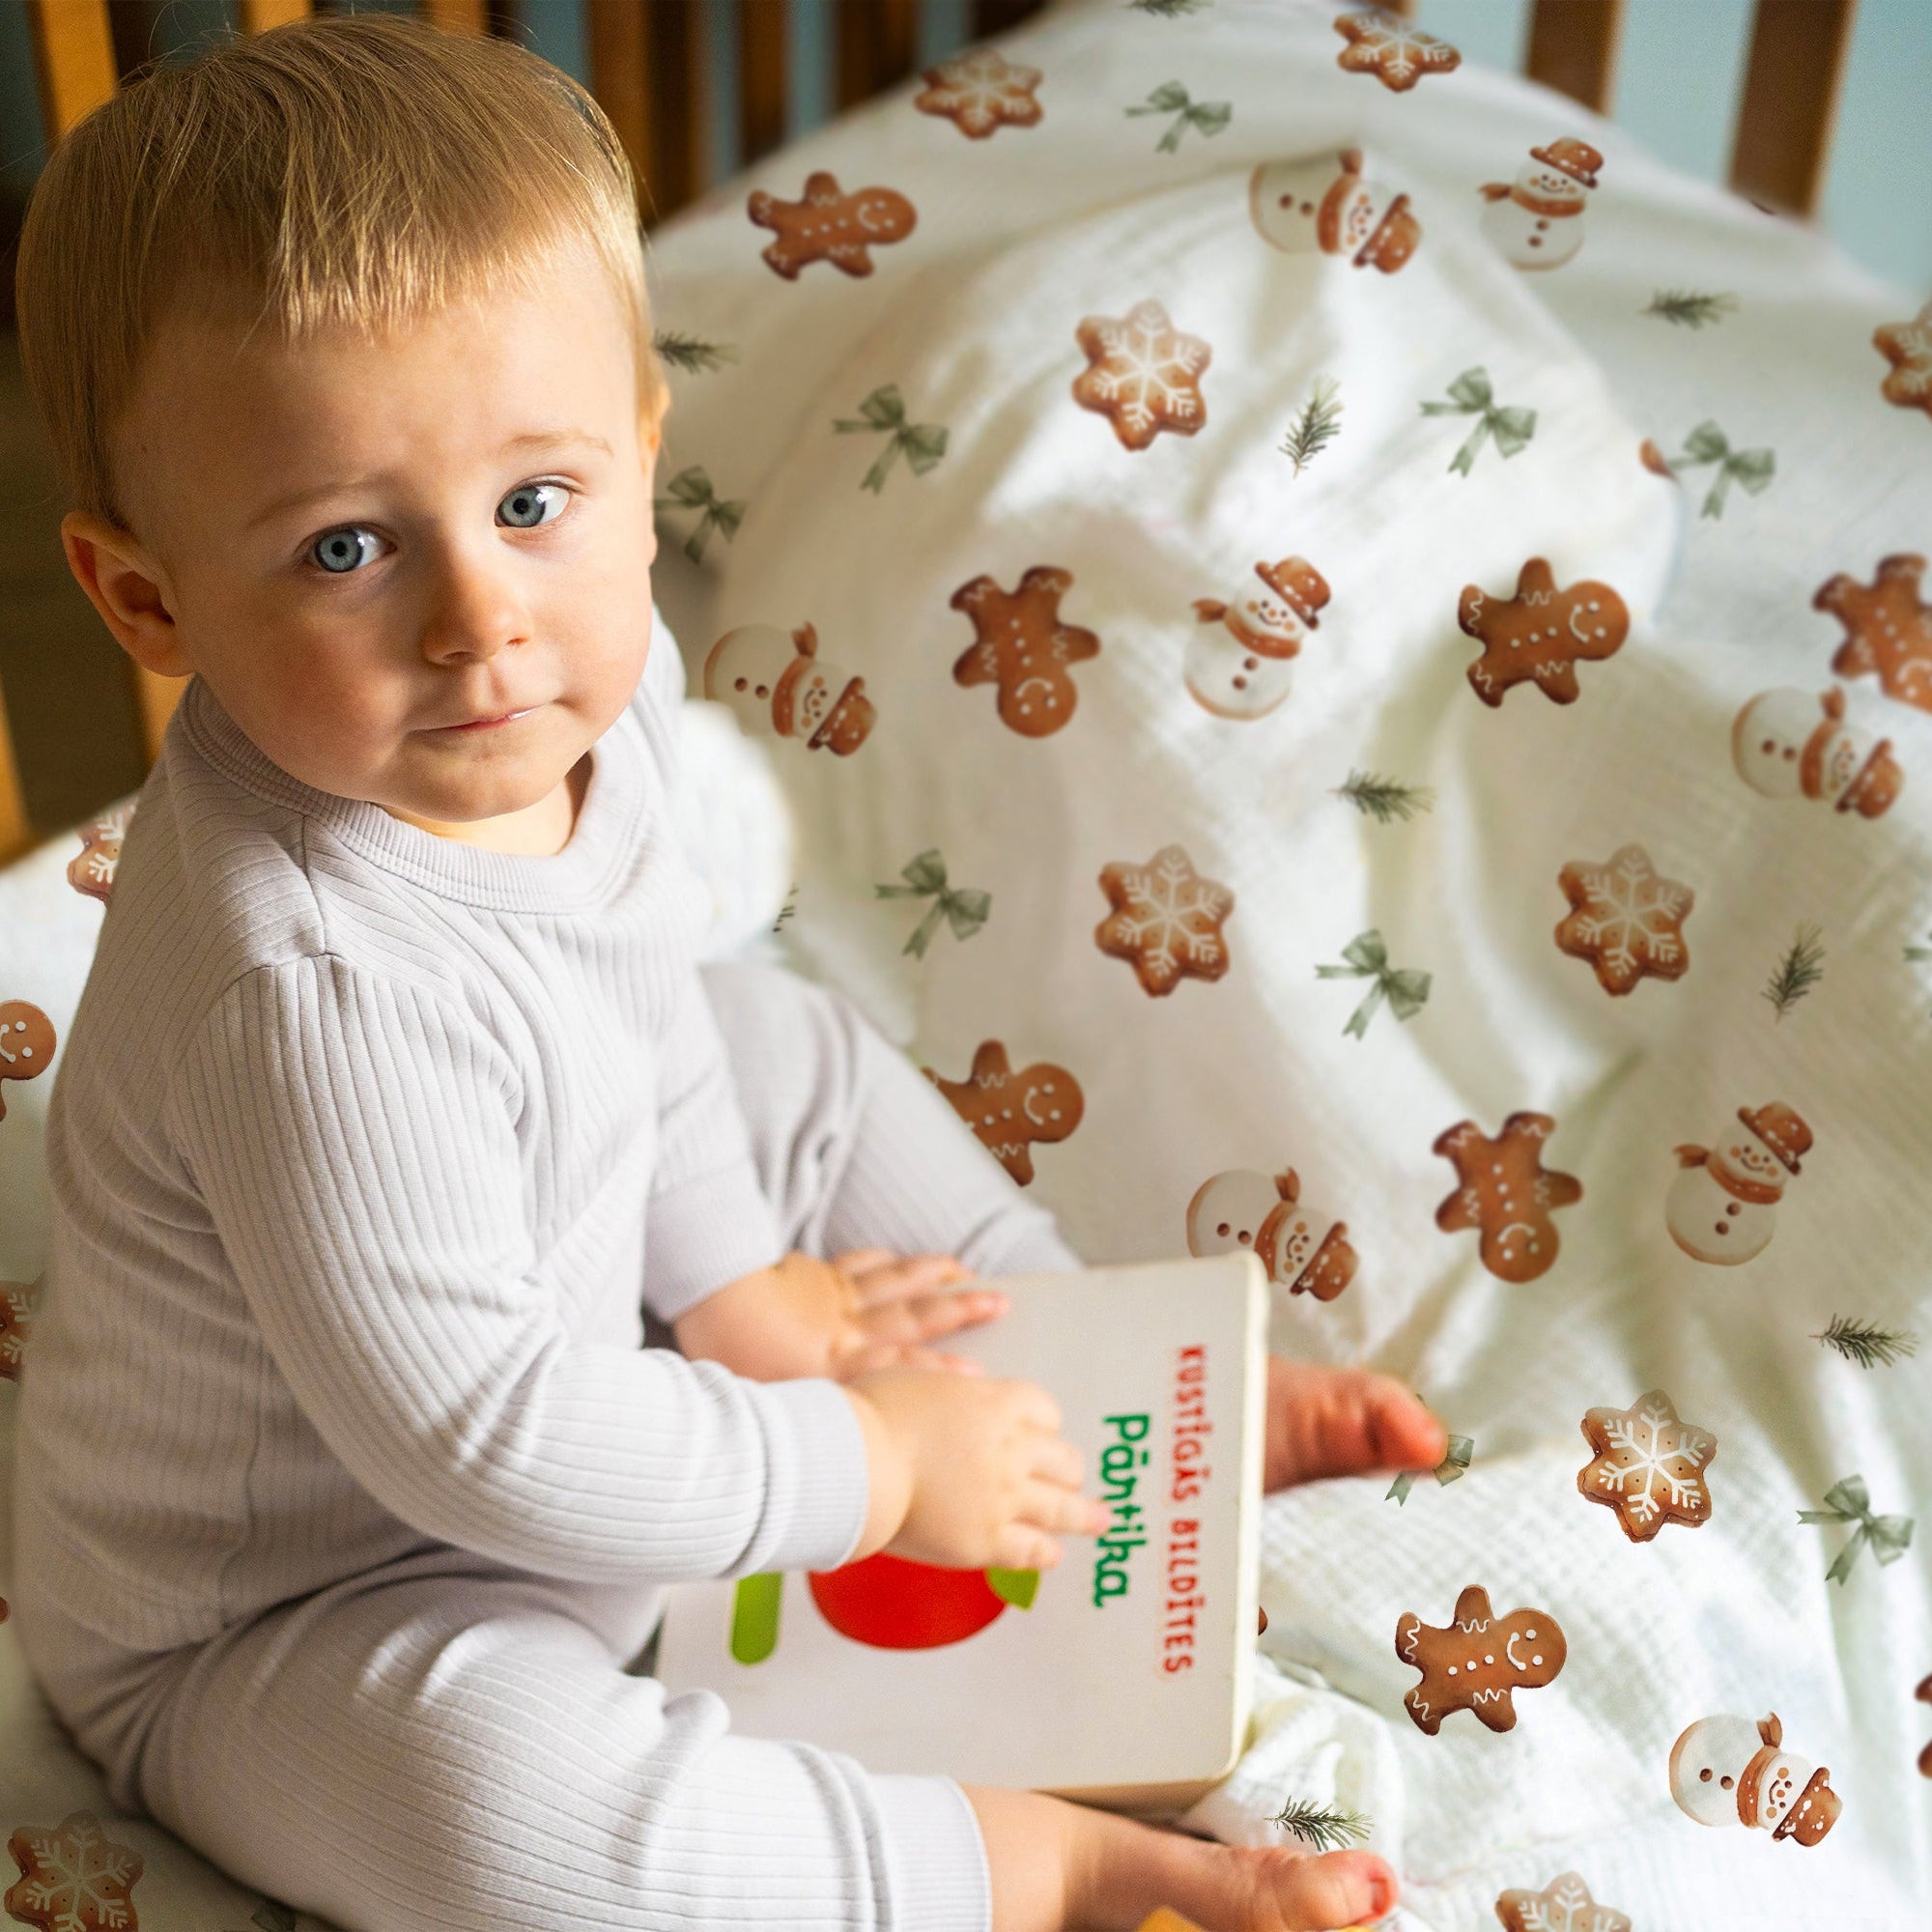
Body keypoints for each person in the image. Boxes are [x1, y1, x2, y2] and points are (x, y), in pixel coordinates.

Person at [6, 17, 1446, 1931]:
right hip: (304, 1601)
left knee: (781, 1043)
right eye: (346, 547)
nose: (479, 620)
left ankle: (1109, 1396)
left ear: (638, 453)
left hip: (583, 1324)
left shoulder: (590, 697)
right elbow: (488, 1445)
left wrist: (745, 1286)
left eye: (536, 503)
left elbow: (637, 1009)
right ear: (150, 598)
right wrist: (863, 1464)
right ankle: (1049, 1865)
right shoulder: (307, 991)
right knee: (501, 1821)